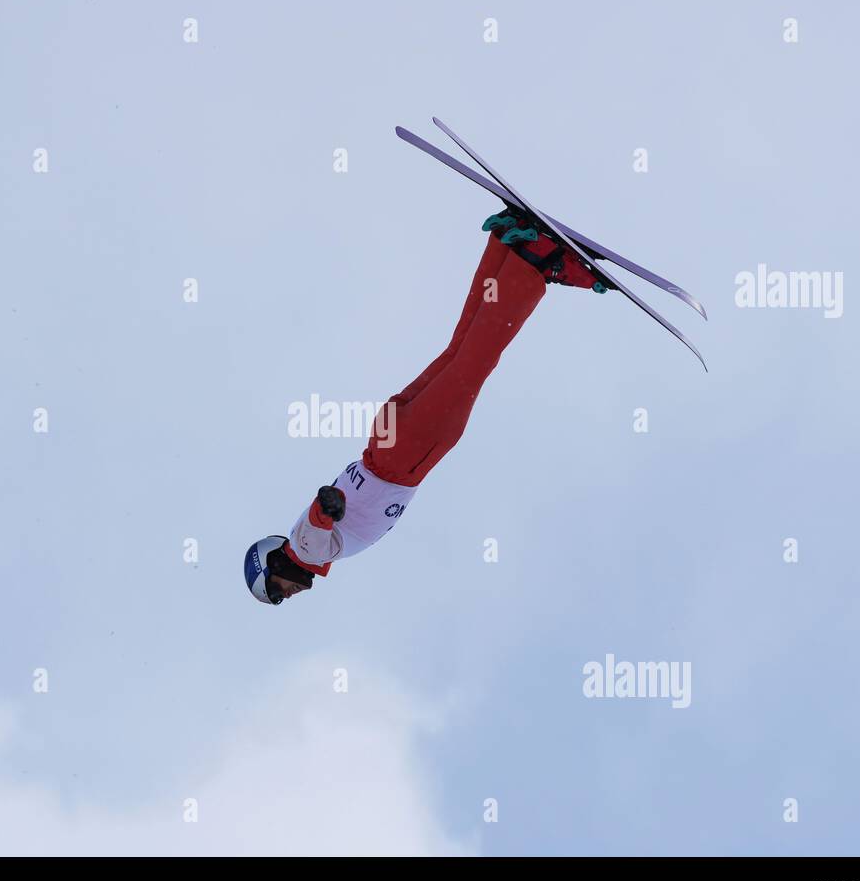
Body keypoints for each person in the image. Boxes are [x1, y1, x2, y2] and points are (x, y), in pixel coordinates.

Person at [244, 209, 601, 605]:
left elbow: (321, 514)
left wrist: (328, 509)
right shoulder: (310, 549)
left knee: (476, 359)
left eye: (278, 588)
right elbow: (323, 512)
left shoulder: (306, 551)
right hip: (384, 441)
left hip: (404, 458)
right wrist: (330, 507)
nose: (290, 592)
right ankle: (508, 245)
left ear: (273, 563)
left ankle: (535, 256)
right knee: (461, 351)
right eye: (284, 596)